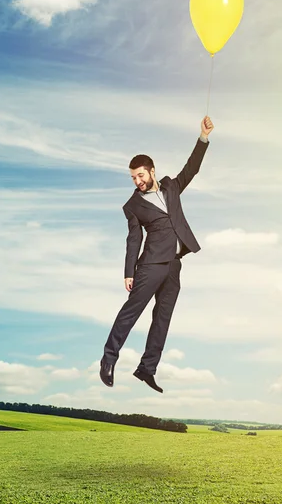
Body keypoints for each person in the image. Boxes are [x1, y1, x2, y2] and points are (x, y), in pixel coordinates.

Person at [99, 116, 214, 393]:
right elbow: (133, 238)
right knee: (131, 313)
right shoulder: (133, 206)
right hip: (150, 266)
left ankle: (147, 368)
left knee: (163, 319)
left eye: (140, 175)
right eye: (133, 177)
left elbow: (192, 169)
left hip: (174, 265)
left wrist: (203, 137)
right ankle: (108, 358)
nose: (137, 181)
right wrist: (129, 272)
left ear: (151, 171)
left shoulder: (171, 187)